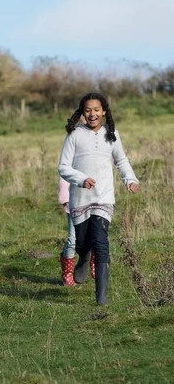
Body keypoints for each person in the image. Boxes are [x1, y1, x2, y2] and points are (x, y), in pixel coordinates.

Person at [58, 92, 139, 305]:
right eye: (88, 110)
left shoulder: (111, 134)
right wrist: (81, 179)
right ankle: (84, 257)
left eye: (96, 110)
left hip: (104, 197)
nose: (92, 114)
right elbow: (63, 167)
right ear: (82, 113)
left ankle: (101, 297)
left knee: (102, 242)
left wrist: (129, 179)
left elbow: (121, 160)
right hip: (80, 198)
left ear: (104, 111)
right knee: (83, 242)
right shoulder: (74, 135)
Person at [58, 176, 95, 286]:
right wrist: (65, 199)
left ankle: (95, 263)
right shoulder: (70, 160)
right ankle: (67, 274)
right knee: (72, 241)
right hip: (73, 205)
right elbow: (64, 178)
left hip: (92, 204)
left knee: (95, 236)